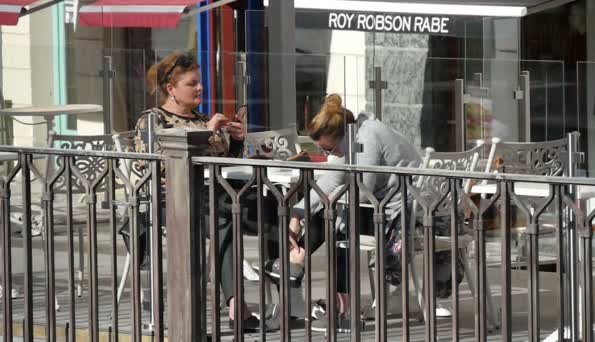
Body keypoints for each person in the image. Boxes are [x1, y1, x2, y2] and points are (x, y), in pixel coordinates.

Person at [261, 94, 422, 332]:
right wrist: (296, 214)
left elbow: (361, 189)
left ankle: (338, 305)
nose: (329, 155)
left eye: (330, 149)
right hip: (388, 206)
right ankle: (295, 263)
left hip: (407, 215)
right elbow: (334, 179)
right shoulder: (355, 135)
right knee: (328, 215)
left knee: (339, 223)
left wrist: (315, 209)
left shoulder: (366, 139)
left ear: (342, 136)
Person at [131, 52, 258, 331]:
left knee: (250, 213)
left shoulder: (201, 118)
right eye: (192, 83)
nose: (200, 88)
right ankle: (238, 304)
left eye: (199, 82)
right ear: (171, 89)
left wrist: (236, 140)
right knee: (225, 219)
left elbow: (225, 164)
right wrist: (209, 132)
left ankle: (263, 288)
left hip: (212, 198)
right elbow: (155, 166)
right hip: (168, 200)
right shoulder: (152, 120)